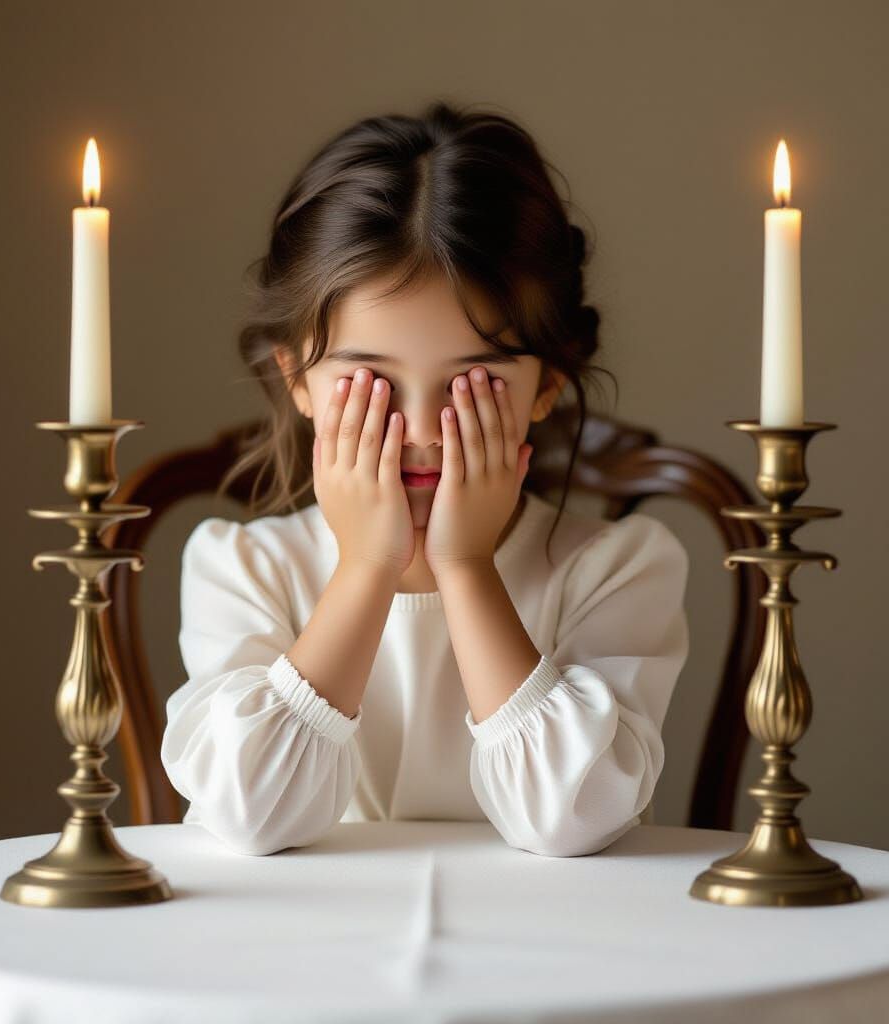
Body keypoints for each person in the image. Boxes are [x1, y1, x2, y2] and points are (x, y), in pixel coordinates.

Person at [160, 101, 690, 858]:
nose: (420, 427)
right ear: (297, 380)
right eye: (371, 380)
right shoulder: (245, 568)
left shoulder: (618, 567)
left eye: (472, 381)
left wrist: (466, 569)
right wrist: (367, 568)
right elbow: (251, 815)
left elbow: (572, 820)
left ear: (548, 384)